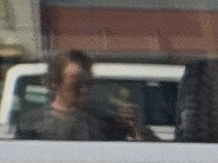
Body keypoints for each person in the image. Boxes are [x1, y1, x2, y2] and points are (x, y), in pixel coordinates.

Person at [10, 50, 138, 143]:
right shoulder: (32, 123)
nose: (84, 89)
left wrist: (135, 127)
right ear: (54, 84)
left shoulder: (102, 122)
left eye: (88, 82)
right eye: (76, 84)